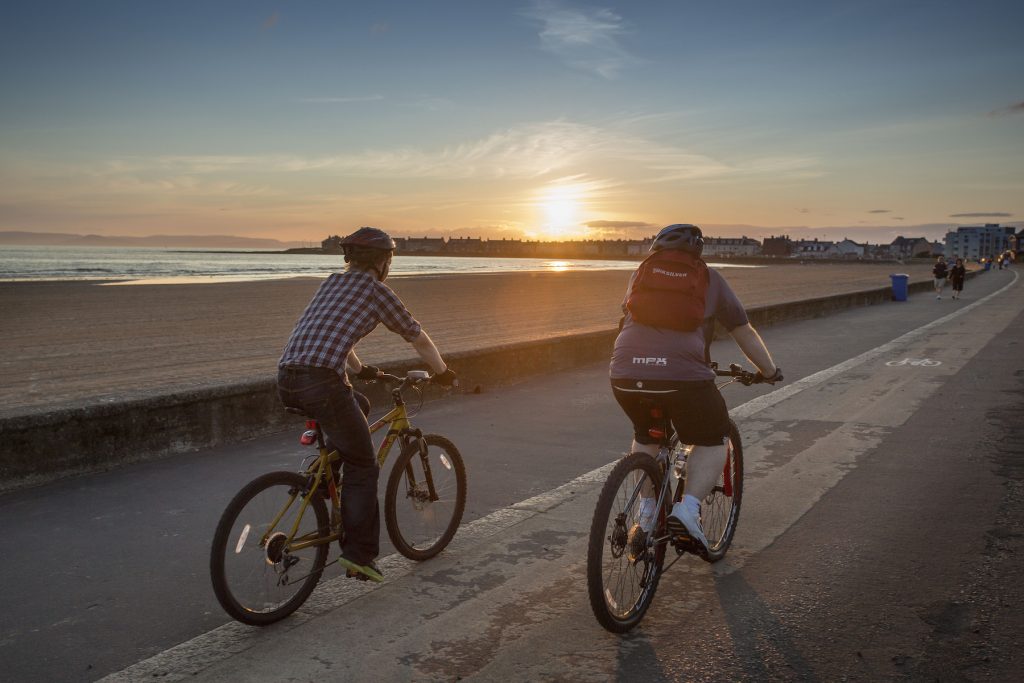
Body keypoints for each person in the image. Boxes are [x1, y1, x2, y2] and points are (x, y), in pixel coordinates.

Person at [277, 227, 457, 582]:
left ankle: (327, 476)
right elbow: (417, 337)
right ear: (383, 261)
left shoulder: (331, 282)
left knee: (356, 404)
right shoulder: (378, 292)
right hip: (322, 383)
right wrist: (443, 372)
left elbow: (331, 333)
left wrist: (362, 370)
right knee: (365, 465)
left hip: (286, 378)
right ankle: (359, 556)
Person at [609, 224, 781, 553]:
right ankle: (687, 511)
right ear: (697, 252)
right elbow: (742, 331)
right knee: (714, 435)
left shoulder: (640, 275)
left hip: (625, 374)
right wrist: (769, 371)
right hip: (682, 377)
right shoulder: (709, 278)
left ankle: (645, 515)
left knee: (647, 433)